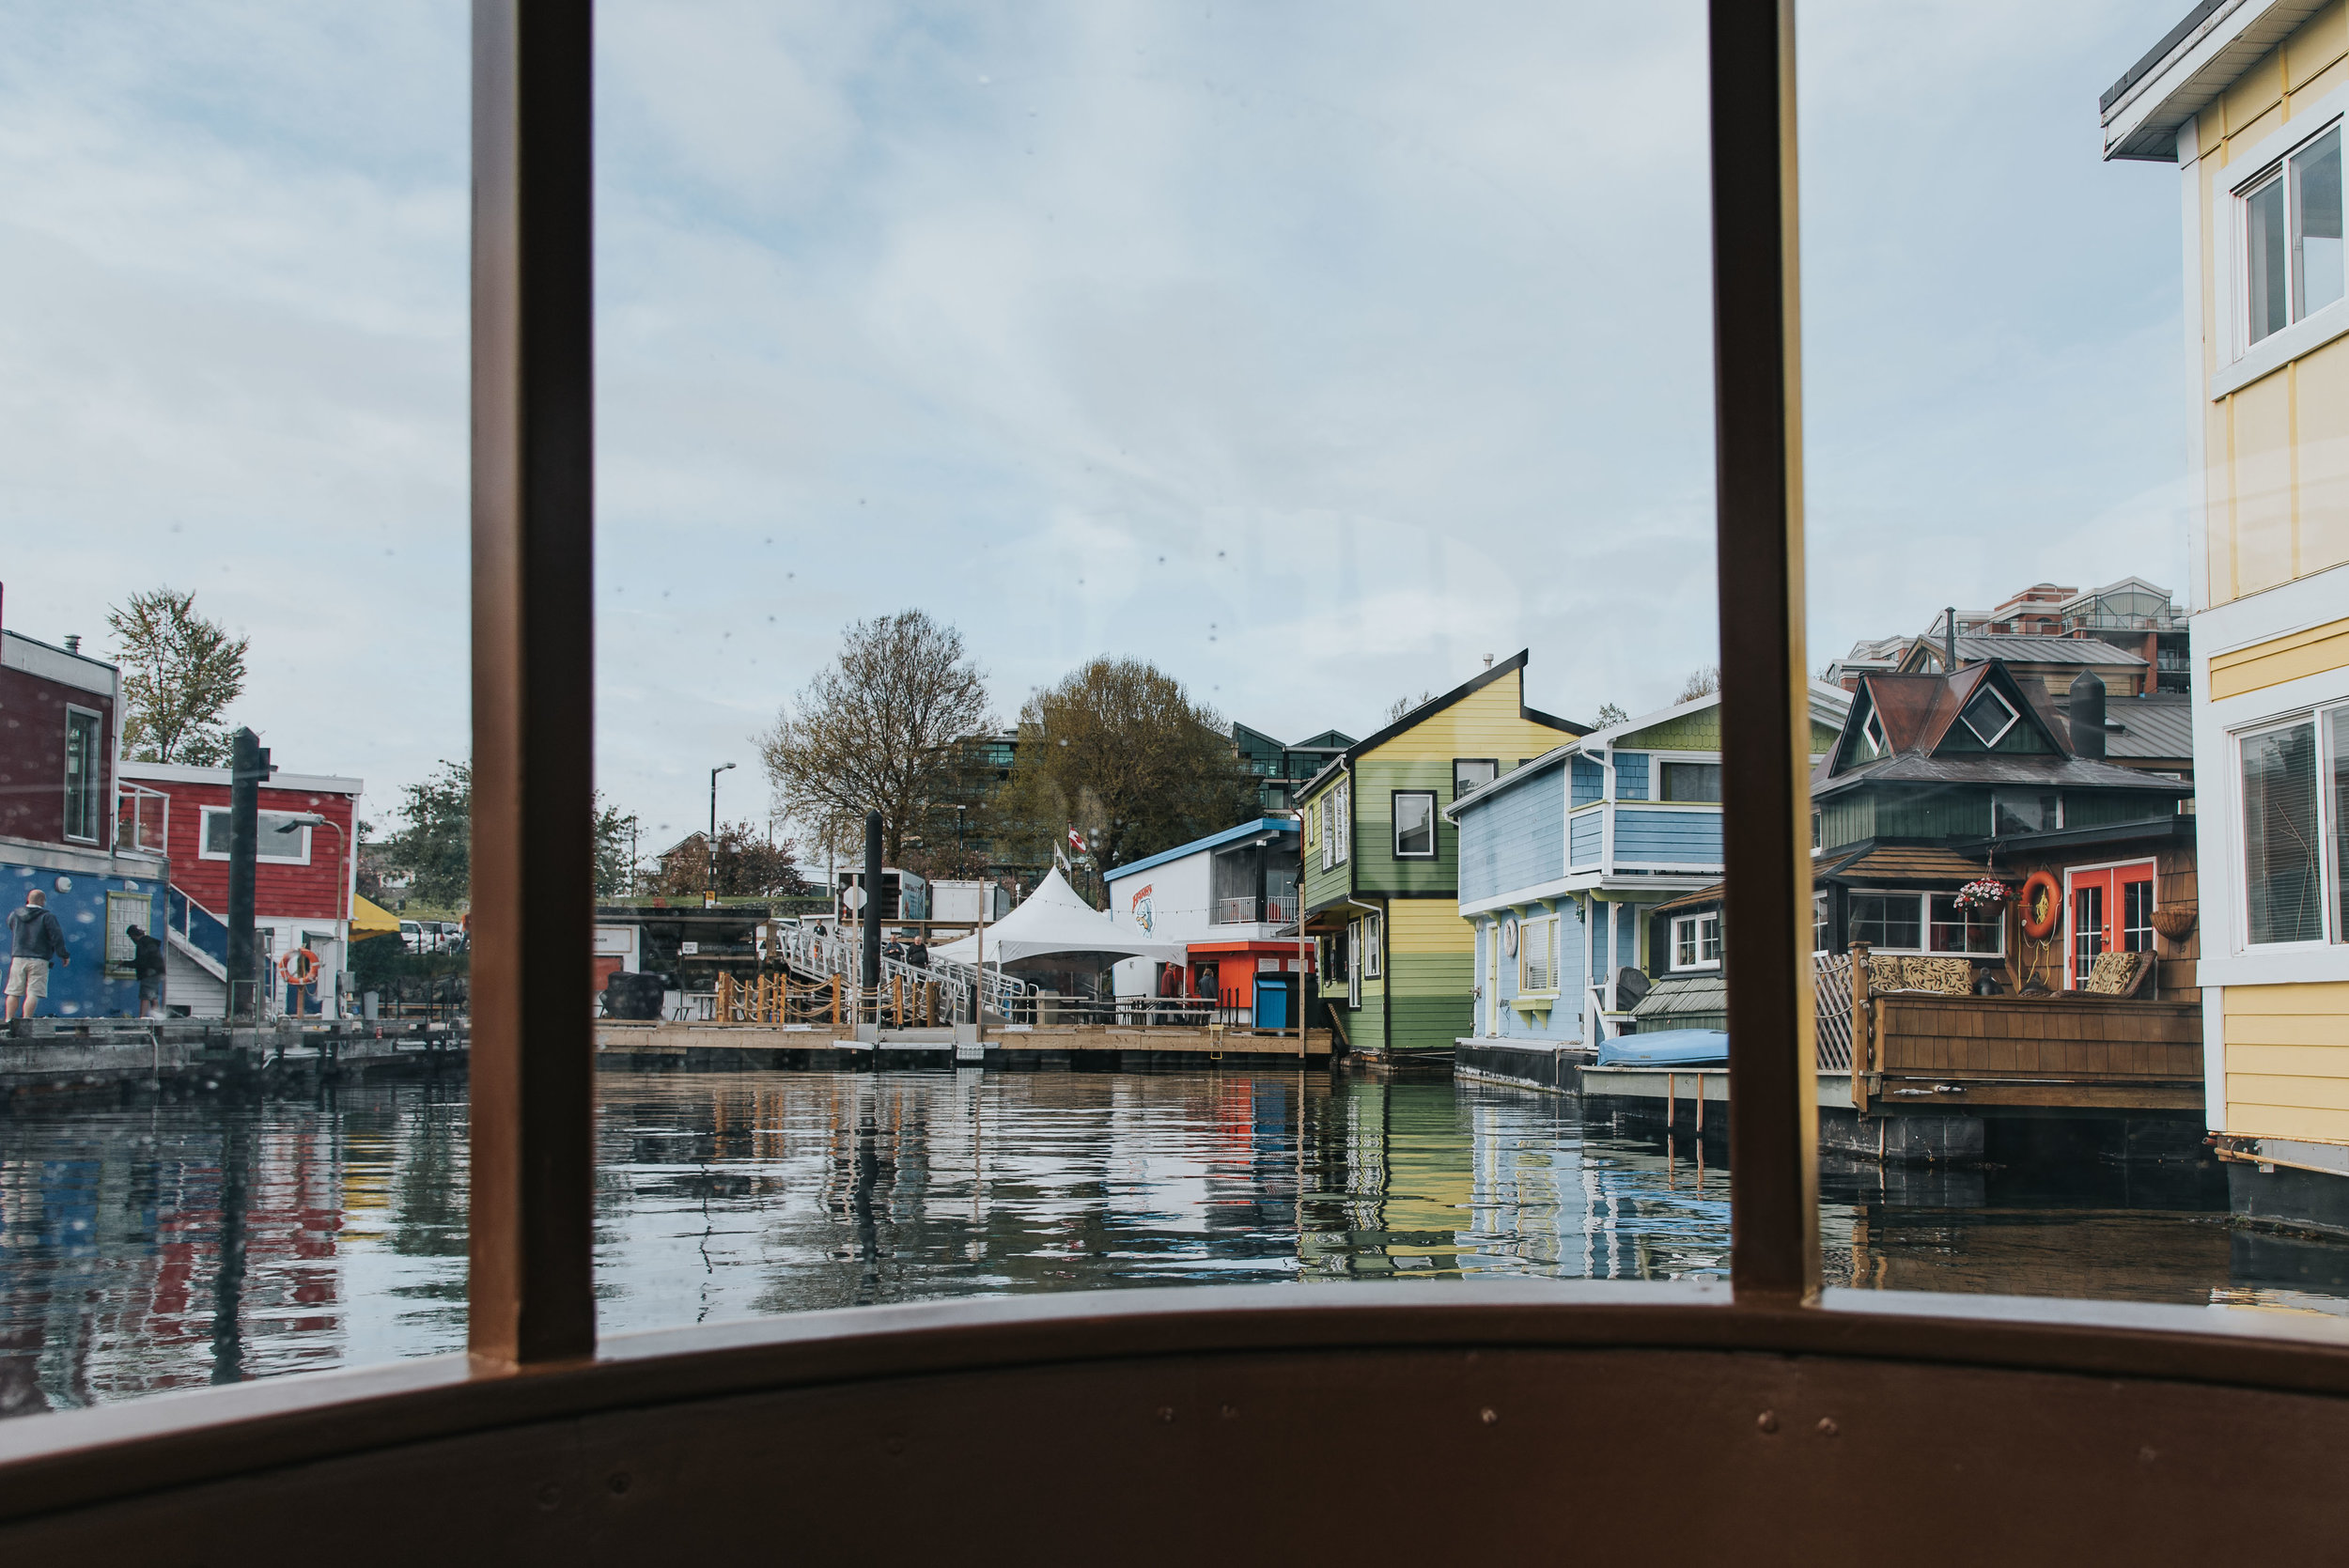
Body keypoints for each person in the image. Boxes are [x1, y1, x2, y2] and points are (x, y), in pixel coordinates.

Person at [5, 888, 70, 1022]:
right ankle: (26, 1020)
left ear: (28, 899)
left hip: (18, 957)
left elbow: (11, 925)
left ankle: (8, 1020)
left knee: (13, 991)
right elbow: (56, 937)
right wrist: (63, 955)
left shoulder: (15, 915)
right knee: (33, 992)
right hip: (39, 959)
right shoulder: (47, 917)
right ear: (43, 901)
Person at [126, 923, 167, 1018]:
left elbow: (140, 962)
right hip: (157, 972)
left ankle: (142, 1019)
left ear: (133, 935)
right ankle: (156, 1019)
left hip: (149, 973)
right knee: (153, 997)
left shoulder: (142, 944)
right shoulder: (150, 942)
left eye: (130, 936)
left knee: (145, 996)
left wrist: (124, 963)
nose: (131, 939)